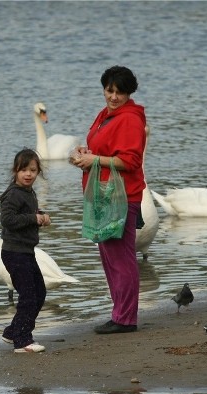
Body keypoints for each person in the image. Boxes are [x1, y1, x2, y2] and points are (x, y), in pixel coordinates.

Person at [70, 65, 147, 334]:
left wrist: (95, 160)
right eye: (109, 90)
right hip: (102, 195)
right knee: (110, 257)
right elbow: (103, 148)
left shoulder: (130, 119)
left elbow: (130, 161)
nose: (113, 96)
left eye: (120, 92)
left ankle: (126, 319)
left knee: (121, 258)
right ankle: (120, 313)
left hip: (120, 196)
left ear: (129, 92)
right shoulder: (107, 114)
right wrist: (84, 153)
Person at [0, 148, 51, 353]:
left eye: (33, 170)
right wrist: (33, 218)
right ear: (15, 171)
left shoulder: (28, 192)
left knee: (40, 293)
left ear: (38, 172)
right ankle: (23, 341)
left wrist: (41, 216)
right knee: (28, 296)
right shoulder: (13, 195)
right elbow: (7, 220)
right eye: (23, 170)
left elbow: (27, 213)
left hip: (26, 252)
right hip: (14, 252)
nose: (28, 174)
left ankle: (12, 331)